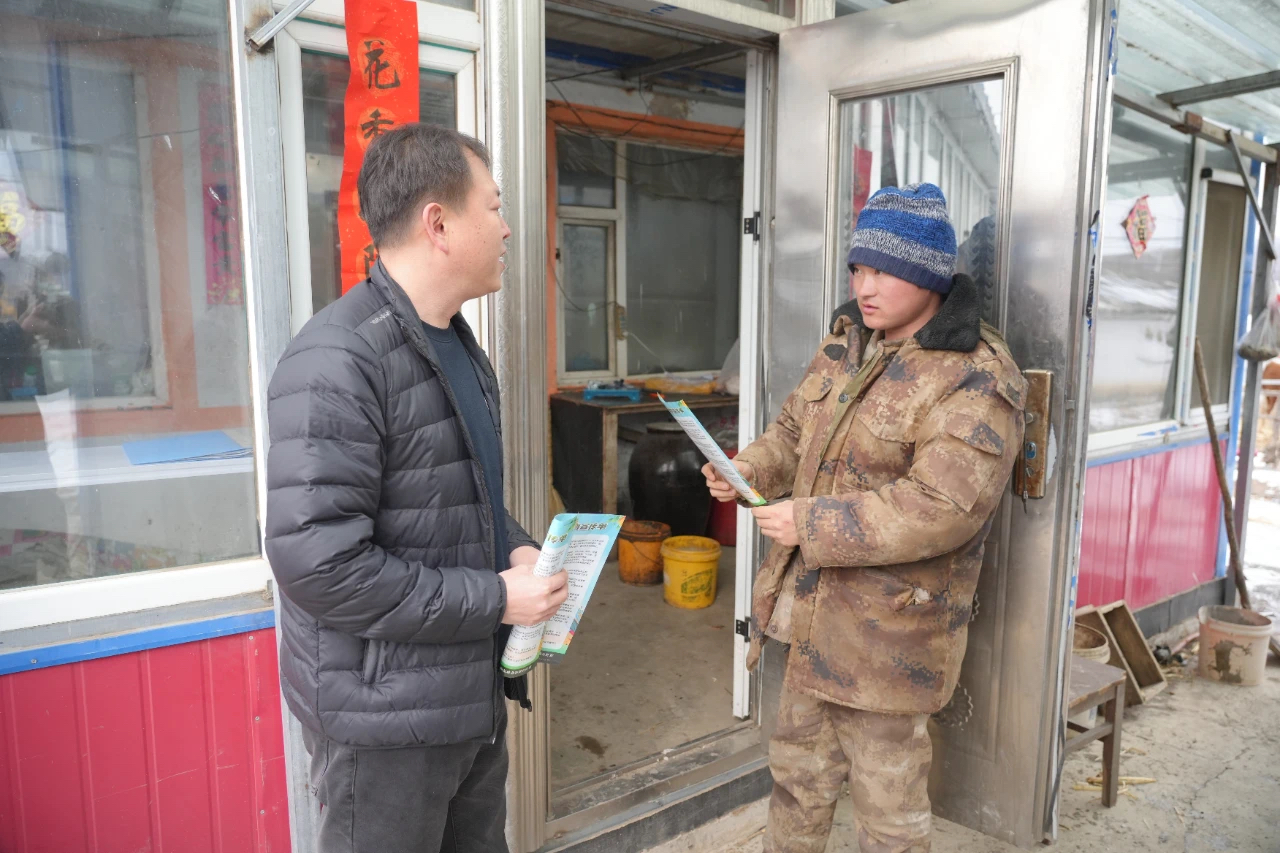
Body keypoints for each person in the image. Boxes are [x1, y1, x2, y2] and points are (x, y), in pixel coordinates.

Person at [265, 123, 567, 853]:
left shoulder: (455, 341)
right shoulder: (337, 361)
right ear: (439, 223)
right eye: (493, 207)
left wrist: (518, 549)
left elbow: (460, 499)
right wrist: (495, 599)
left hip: (466, 700)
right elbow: (321, 567)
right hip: (383, 728)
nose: (506, 228)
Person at [706, 184, 1026, 853]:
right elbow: (793, 430)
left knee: (888, 815)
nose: (864, 286)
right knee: (796, 782)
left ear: (929, 274)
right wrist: (749, 470)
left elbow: (942, 508)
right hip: (811, 619)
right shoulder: (849, 340)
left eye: (884, 270)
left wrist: (811, 524)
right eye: (858, 268)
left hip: (889, 641)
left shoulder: (973, 374)